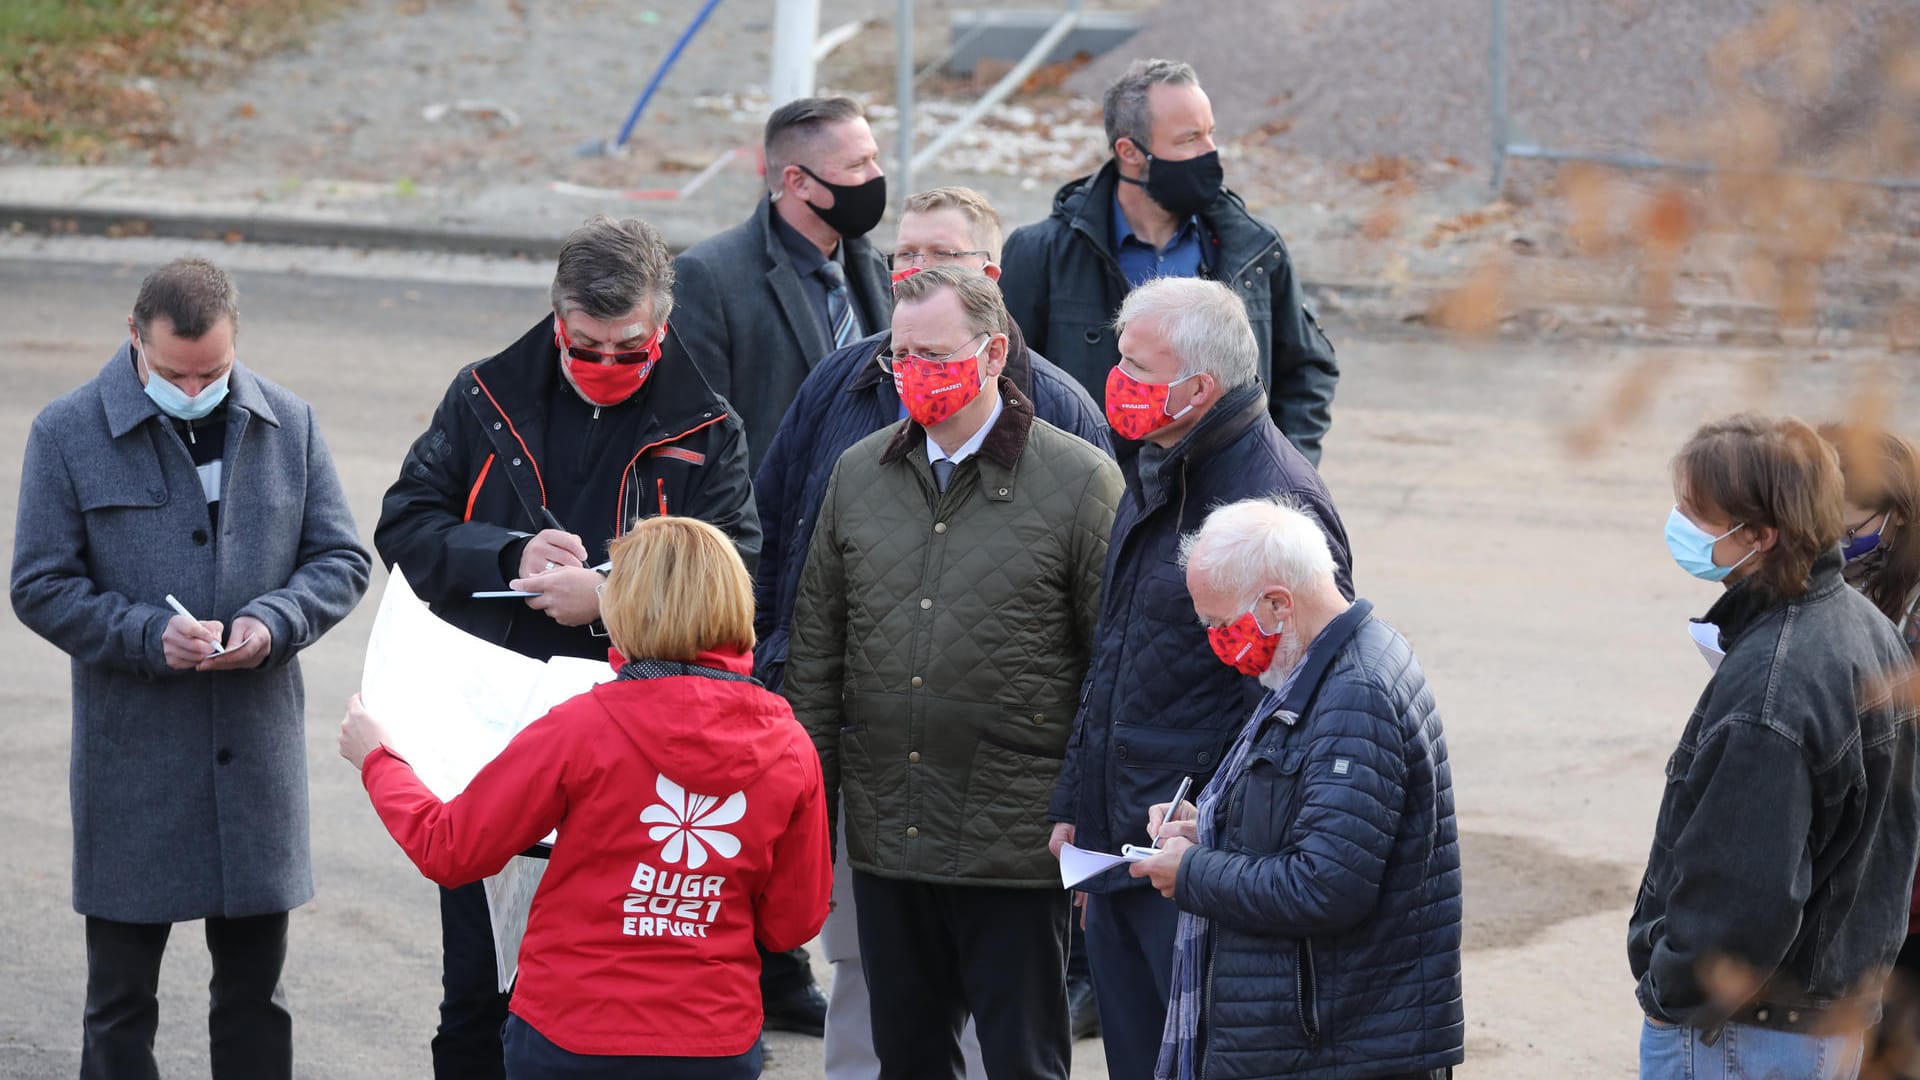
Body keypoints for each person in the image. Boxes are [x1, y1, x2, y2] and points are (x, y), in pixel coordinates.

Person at [375, 215, 760, 1078]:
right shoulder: (484, 396)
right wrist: (504, 553)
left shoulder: (709, 425)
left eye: (632, 348)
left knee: (605, 994)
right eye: (589, 345)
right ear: (557, 321)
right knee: (476, 988)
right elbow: (405, 522)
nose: (611, 364)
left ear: (663, 324)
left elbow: (740, 577)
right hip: (492, 721)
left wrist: (613, 594)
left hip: (639, 743)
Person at [750, 186, 1109, 1078]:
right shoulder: (857, 475)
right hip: (888, 835)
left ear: (993, 353)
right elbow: (819, 657)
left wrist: (1090, 818)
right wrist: (806, 807)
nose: (912, 372)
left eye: (934, 355)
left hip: (1015, 849)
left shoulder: (1079, 480)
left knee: (1020, 1059)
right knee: (906, 1057)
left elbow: (1113, 668)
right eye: (901, 355)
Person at [10, 257, 372, 1079]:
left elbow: (341, 559)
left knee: (254, 1001)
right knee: (120, 1007)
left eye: (213, 370)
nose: (195, 385)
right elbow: (38, 585)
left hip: (255, 768)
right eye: (175, 372)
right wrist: (146, 636)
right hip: (133, 767)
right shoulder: (65, 434)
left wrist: (273, 622)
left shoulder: (291, 422)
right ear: (132, 339)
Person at [340, 515, 832, 1079]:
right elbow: (792, 924)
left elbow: (449, 848)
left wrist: (379, 761)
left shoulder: (581, 728)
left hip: (571, 1036)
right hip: (712, 1041)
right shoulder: (790, 747)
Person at [1044, 276, 1353, 1080]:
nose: (1118, 381)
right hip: (1125, 850)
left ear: (1199, 388)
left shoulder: (1271, 508)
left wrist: (1213, 852)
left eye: (1137, 367)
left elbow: (1296, 709)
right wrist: (1083, 804)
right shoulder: (1160, 466)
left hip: (1197, 870)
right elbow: (1115, 652)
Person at [1128, 496, 1462, 1080]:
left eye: (1220, 625)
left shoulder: (1356, 695)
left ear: (1278, 604)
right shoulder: (1320, 673)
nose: (1215, 642)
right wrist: (1208, 827)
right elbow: (1308, 822)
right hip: (1316, 1036)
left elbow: (1326, 885)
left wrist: (1193, 871)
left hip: (1334, 1047)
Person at [1632, 415, 1920, 1080]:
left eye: (1695, 511)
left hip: (1743, 1035)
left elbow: (1743, 897)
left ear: (1760, 536)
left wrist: (1670, 994)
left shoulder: (1774, 690)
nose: (1677, 522)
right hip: (1819, 1014)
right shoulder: (1863, 627)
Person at [998, 58, 1338, 465]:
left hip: (1225, 506)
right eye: (1189, 139)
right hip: (1091, 509)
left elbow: (1307, 370)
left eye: (1211, 134)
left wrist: (1284, 469)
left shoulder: (1255, 249)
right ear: (1129, 151)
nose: (1210, 153)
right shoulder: (1041, 254)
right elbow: (1006, 385)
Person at [673, 95, 893, 470]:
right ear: (799, 182)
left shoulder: (873, 268)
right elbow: (699, 436)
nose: (876, 176)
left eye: (874, 158)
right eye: (857, 164)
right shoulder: (707, 276)